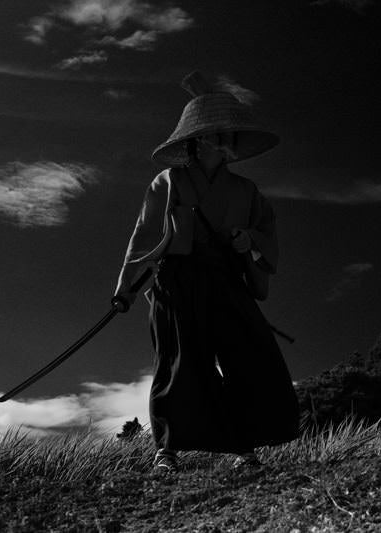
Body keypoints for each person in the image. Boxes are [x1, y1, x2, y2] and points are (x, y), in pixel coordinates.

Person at [112, 71, 300, 472]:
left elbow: (265, 232)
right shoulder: (170, 180)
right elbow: (144, 236)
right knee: (180, 363)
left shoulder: (246, 191)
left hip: (227, 283)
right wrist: (125, 289)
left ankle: (244, 447)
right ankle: (167, 450)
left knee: (251, 355)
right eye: (220, 132)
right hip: (176, 284)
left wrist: (248, 240)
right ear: (198, 140)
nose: (227, 140)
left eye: (229, 133)